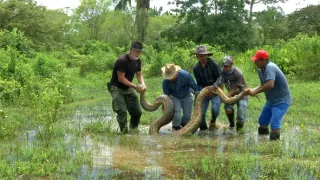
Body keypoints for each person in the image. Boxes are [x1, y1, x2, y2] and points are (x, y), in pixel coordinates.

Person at [248, 50, 292, 140]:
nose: (255, 62)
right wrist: (253, 89)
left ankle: (273, 148)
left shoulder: (270, 67)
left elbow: (270, 85)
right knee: (262, 121)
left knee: (274, 124)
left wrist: (255, 92)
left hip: (281, 100)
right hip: (271, 100)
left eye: (257, 60)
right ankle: (262, 141)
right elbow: (263, 84)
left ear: (263, 60)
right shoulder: (260, 70)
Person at [107, 41, 146, 134]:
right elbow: (121, 78)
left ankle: (133, 130)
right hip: (116, 87)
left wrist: (143, 84)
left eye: (140, 52)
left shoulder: (137, 60)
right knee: (122, 112)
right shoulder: (122, 60)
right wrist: (135, 87)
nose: (138, 53)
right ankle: (124, 133)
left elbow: (139, 75)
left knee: (137, 112)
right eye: (137, 51)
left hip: (128, 88)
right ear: (131, 50)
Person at [192, 45, 223, 131]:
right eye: (198, 56)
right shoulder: (196, 68)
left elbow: (221, 77)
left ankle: (213, 122)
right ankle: (204, 132)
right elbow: (199, 83)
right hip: (204, 92)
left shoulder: (213, 64)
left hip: (216, 91)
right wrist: (203, 90)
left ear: (206, 55)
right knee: (201, 115)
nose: (199, 58)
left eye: (201, 56)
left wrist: (214, 86)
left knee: (215, 109)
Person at [161, 63, 200, 130]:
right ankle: (175, 128)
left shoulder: (186, 75)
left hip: (187, 94)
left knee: (187, 116)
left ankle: (184, 126)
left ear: (176, 73)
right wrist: (165, 107)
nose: (170, 78)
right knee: (177, 114)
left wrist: (197, 102)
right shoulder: (165, 82)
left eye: (171, 76)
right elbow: (166, 96)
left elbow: (195, 88)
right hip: (175, 96)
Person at [221, 56, 249, 132]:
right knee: (228, 109)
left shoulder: (238, 73)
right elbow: (220, 83)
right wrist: (221, 93)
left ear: (232, 64)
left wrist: (224, 96)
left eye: (229, 66)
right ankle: (231, 124)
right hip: (231, 94)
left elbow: (235, 88)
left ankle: (239, 131)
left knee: (241, 112)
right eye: (225, 66)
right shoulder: (222, 72)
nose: (227, 68)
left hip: (242, 94)